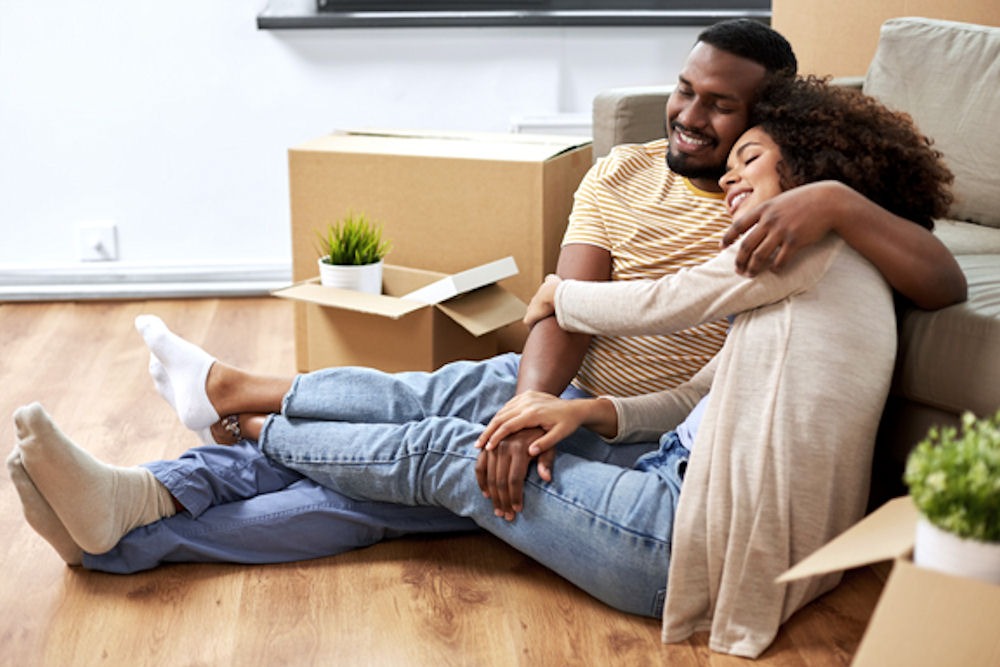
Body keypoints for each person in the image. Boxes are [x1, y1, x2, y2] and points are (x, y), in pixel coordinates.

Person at [10, 75, 957, 657]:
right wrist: (584, 415)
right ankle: (135, 512)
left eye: (752, 152)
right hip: (667, 466)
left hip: (684, 537)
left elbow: (674, 304)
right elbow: (708, 390)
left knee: (435, 459)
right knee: (435, 445)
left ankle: (242, 424)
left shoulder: (804, 244)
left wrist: (555, 297)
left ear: (817, 168)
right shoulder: (815, 260)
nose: (735, 178)